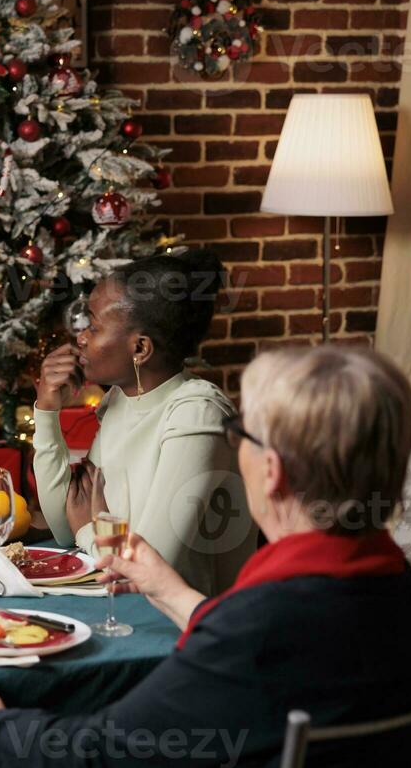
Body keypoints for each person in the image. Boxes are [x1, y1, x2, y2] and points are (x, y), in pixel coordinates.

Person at [0, 346, 411, 768]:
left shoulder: (258, 633)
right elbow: (283, 665)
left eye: (242, 435)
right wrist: (173, 591)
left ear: (270, 471)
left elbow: (94, 764)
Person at [32, 248, 255, 595]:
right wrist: (47, 411)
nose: (81, 337)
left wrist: (87, 531)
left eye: (93, 325)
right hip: (126, 605)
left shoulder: (196, 414)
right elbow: (64, 525)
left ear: (140, 349)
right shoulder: (122, 399)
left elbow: (151, 567)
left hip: (189, 627)